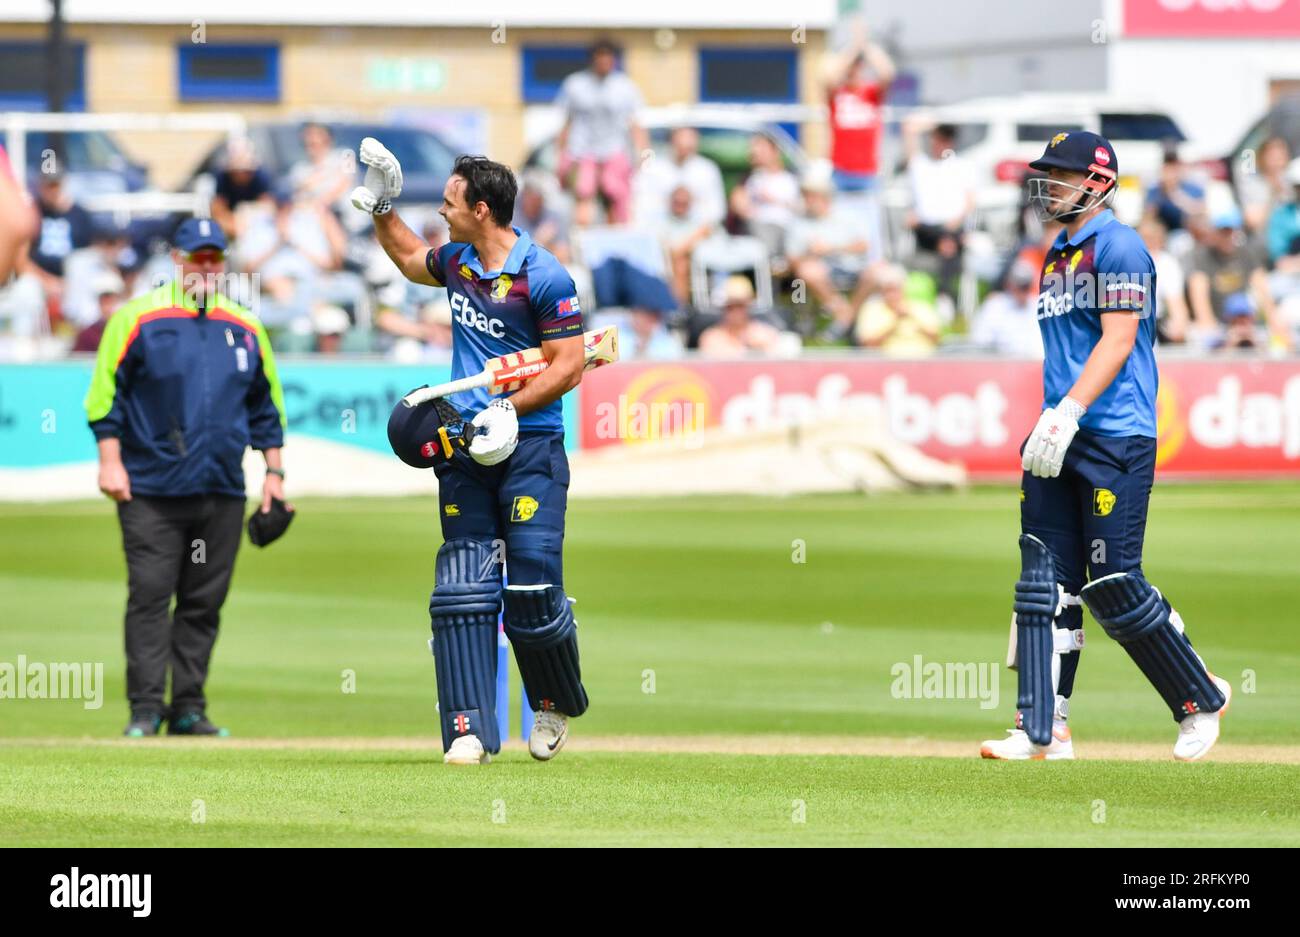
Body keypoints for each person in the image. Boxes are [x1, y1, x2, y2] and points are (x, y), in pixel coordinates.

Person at [981, 130, 1230, 762]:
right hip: (1059, 430)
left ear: (1096, 183)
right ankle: (1043, 726)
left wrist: (1069, 412)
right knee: (1044, 579)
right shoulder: (1055, 254)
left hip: (1113, 432)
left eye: (1060, 177)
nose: (1049, 188)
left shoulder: (1119, 247)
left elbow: (1118, 341)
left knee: (1114, 581)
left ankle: (1198, 697)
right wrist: (1052, 420)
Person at [353, 143, 590, 765]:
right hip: (465, 442)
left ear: (482, 210)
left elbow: (569, 365)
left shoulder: (544, 276)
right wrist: (381, 205)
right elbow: (408, 257)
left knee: (533, 587)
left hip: (531, 444)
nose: (441, 210)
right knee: (462, 588)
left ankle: (549, 704)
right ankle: (468, 731)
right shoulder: (458, 261)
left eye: (450, 201)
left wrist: (511, 407)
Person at [84, 218, 289, 738]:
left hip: (220, 488)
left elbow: (266, 409)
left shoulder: (244, 326)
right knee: (151, 596)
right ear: (177, 259)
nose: (205, 267)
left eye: (213, 258)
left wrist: (275, 474)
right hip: (150, 489)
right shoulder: (137, 318)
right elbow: (105, 399)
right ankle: (145, 709)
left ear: (223, 263)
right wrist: (110, 461)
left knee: (203, 602)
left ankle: (189, 708)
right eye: (196, 257)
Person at [555, 39, 647, 226]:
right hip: (581, 152)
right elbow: (566, 123)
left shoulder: (625, 87)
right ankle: (581, 242)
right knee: (583, 194)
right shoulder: (575, 85)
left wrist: (642, 153)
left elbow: (636, 124)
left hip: (614, 151)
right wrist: (561, 157)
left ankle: (614, 242)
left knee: (616, 196)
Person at [786, 165, 875, 338]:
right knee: (806, 274)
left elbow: (864, 245)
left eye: (812, 195)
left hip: (853, 268)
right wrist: (812, 253)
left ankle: (844, 319)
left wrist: (832, 248)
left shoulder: (847, 216)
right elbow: (793, 259)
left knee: (879, 272)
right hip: (819, 274)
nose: (808, 200)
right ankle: (847, 318)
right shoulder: (798, 223)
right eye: (806, 195)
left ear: (825, 197)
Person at [1187, 207, 1288, 351]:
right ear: (1215, 232)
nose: (1228, 235)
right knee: (1200, 340)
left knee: (1279, 335)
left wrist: (1273, 321)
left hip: (1245, 319)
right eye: (1223, 231)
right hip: (1218, 322)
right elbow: (1198, 292)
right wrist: (1209, 326)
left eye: (1232, 231)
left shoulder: (1247, 253)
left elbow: (1262, 287)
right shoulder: (1203, 256)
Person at [904, 121, 974, 308]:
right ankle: (945, 296)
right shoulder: (920, 165)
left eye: (946, 139)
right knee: (946, 241)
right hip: (924, 229)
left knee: (948, 241)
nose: (942, 143)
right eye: (939, 138)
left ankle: (943, 295)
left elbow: (970, 203)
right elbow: (909, 128)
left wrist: (954, 222)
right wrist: (936, 121)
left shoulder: (961, 167)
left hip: (952, 227)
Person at [729, 133, 800, 260]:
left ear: (775, 151)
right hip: (757, 228)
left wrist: (773, 200)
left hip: (783, 229)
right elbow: (739, 206)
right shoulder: (750, 179)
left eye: (761, 150)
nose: (755, 154)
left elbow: (799, 208)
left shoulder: (791, 179)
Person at [853, 262, 941, 356]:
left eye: (895, 289)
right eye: (888, 290)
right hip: (885, 364)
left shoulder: (921, 307)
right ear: (881, 291)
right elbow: (868, 345)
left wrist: (911, 317)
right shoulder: (872, 309)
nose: (892, 295)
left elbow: (937, 340)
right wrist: (895, 322)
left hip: (924, 361)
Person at [969, 260, 1043, 358]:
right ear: (1009, 284)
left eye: (1025, 286)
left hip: (1034, 366)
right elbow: (980, 342)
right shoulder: (994, 307)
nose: (1022, 291)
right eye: (1019, 286)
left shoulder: (1040, 306)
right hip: (1001, 365)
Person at [697, 275, 786, 358]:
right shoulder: (711, 337)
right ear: (723, 308)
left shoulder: (766, 334)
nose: (736, 312)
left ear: (749, 305)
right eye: (730, 307)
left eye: (740, 306)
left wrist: (762, 349)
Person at [210, 137, 274, 239]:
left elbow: (269, 207)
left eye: (246, 170)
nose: (241, 174)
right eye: (237, 170)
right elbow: (217, 209)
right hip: (232, 222)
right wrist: (234, 223)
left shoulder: (261, 176)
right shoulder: (222, 177)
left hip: (254, 223)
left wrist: (248, 213)